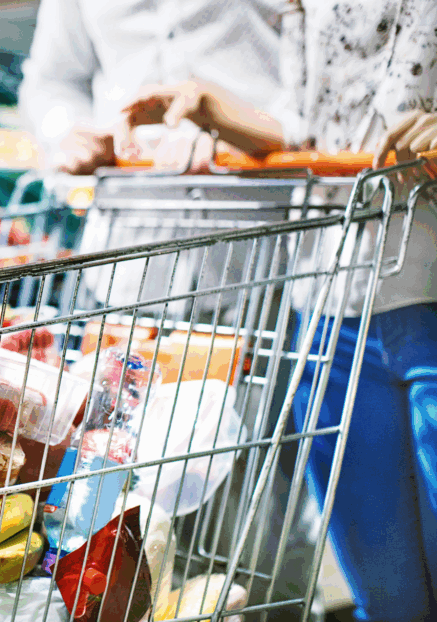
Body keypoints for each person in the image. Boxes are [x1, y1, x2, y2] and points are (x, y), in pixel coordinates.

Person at [120, 2, 437, 620]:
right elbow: (310, 129)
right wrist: (214, 109)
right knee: (388, 599)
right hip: (325, 307)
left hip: (425, 295)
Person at [18, 0, 298, 323]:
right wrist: (68, 129)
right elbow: (52, 79)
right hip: (119, 262)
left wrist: (239, 130)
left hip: (255, 263)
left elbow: (318, 85)